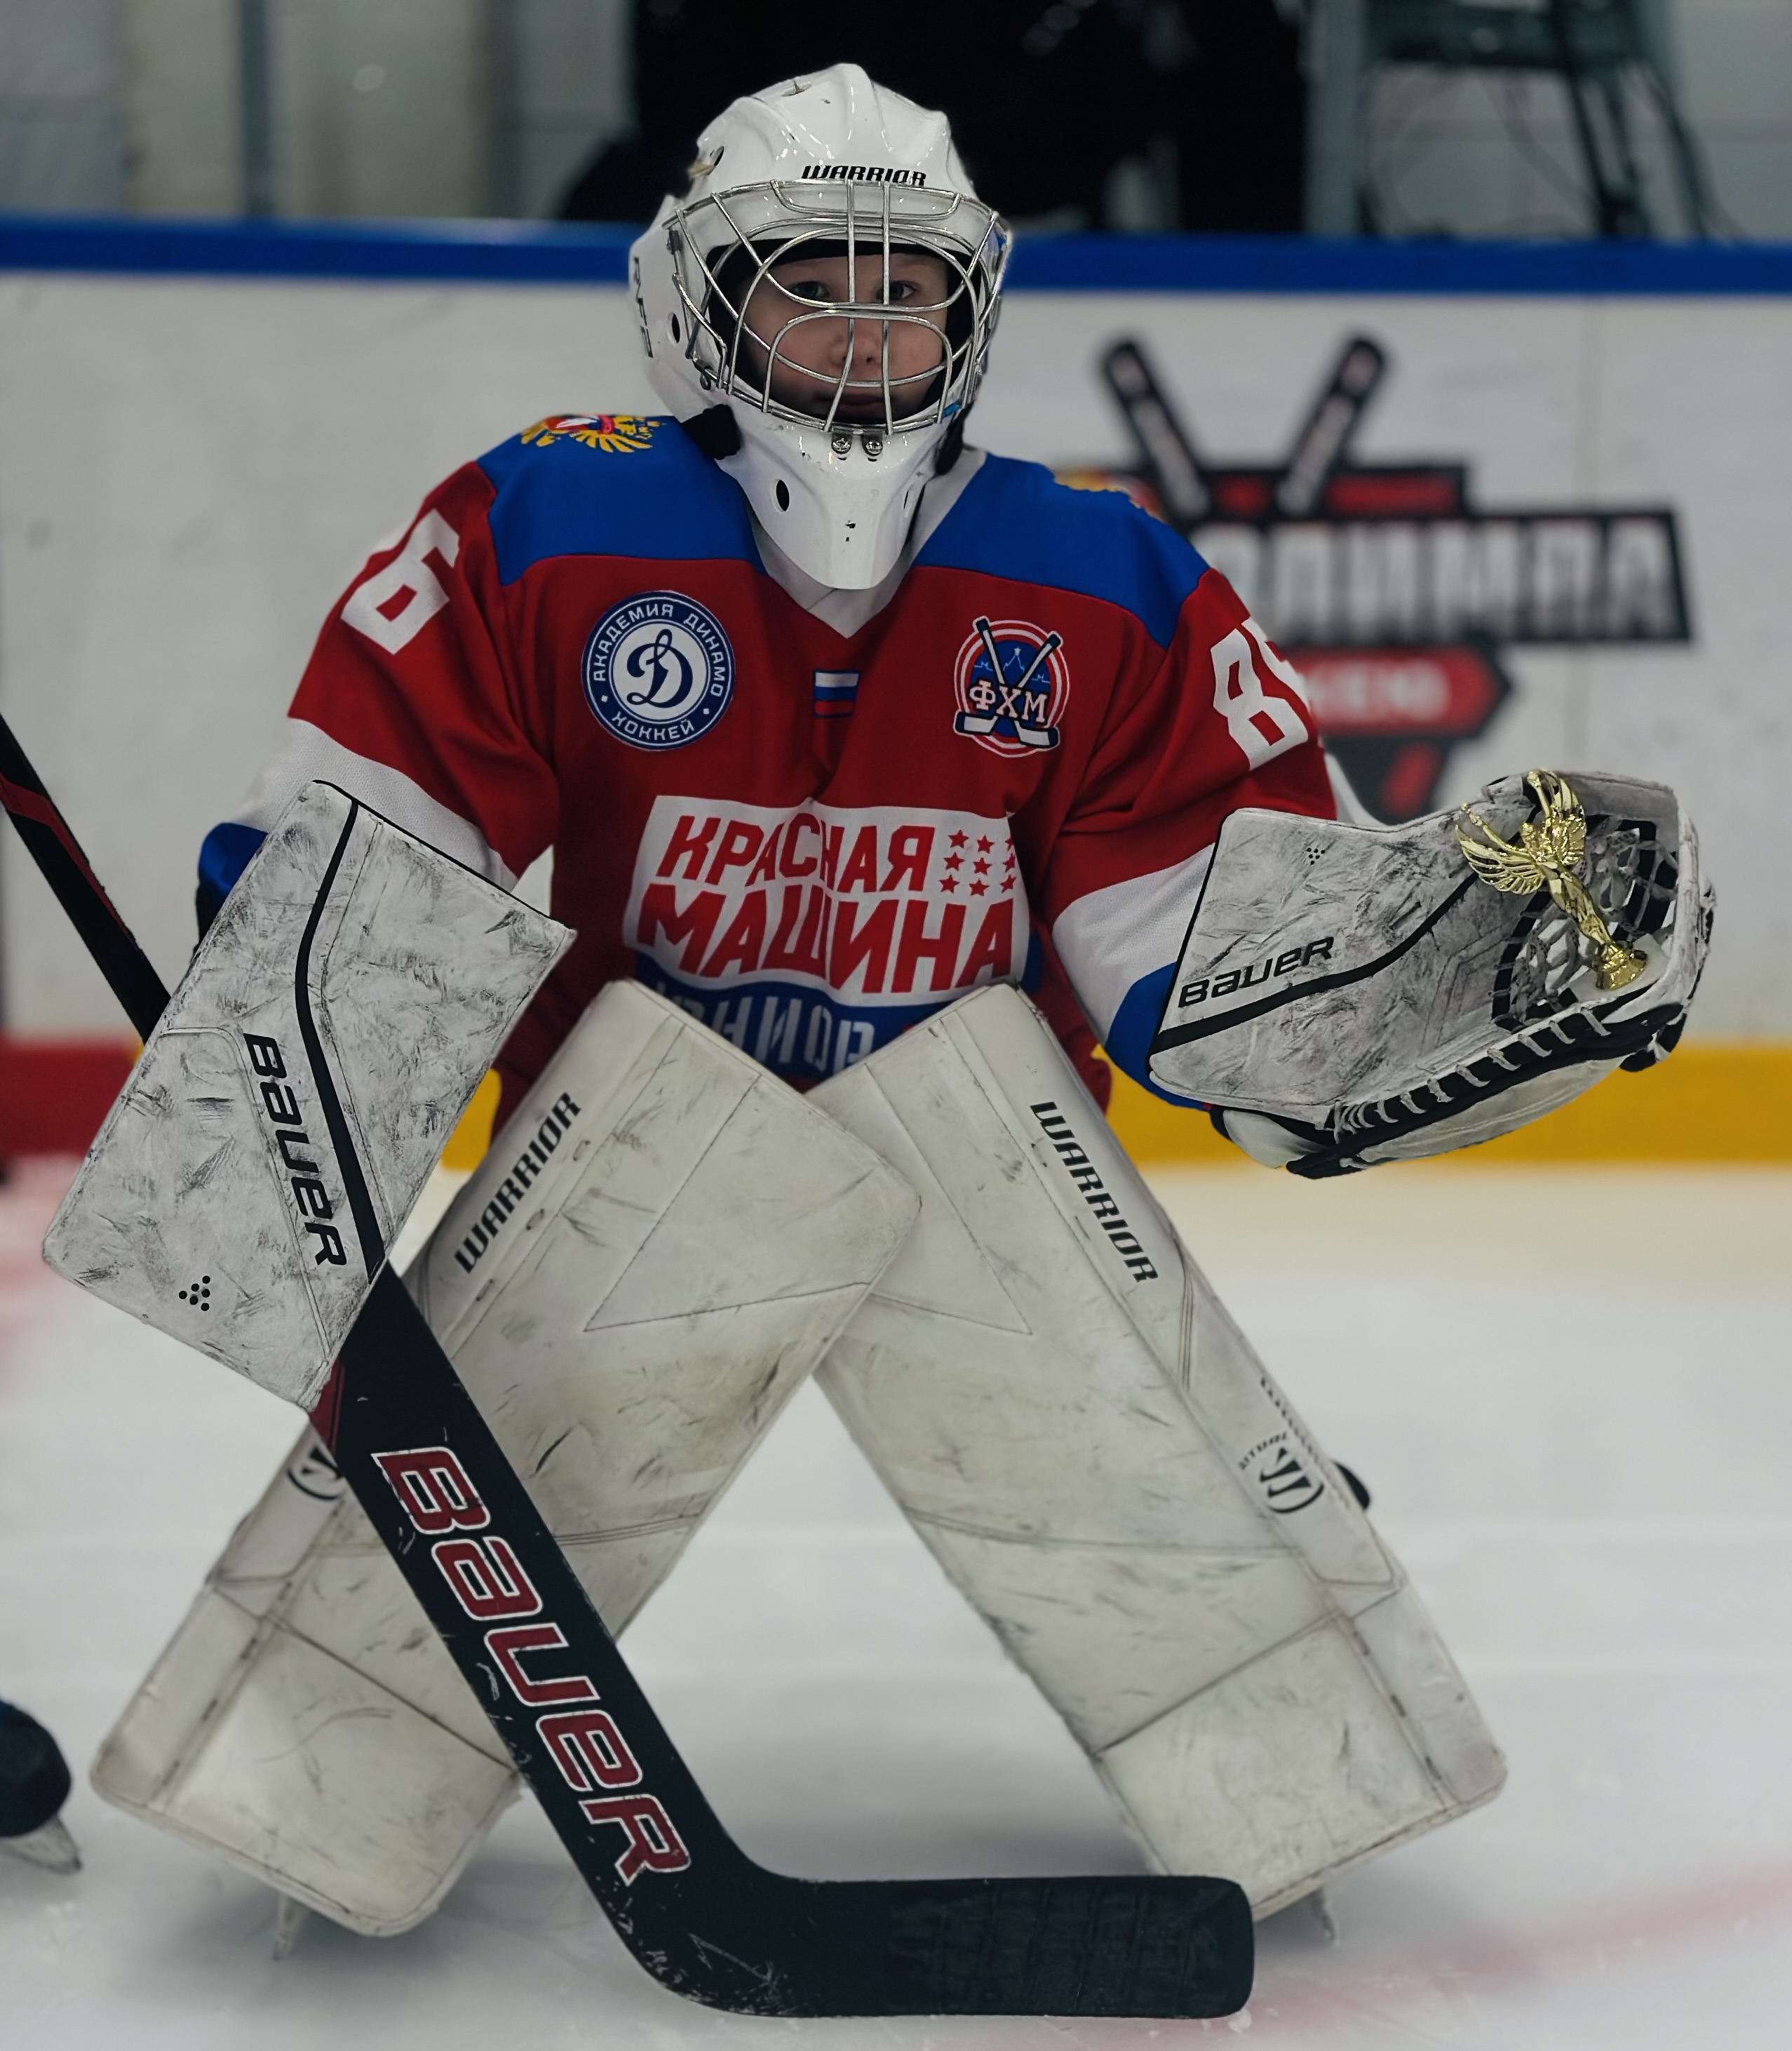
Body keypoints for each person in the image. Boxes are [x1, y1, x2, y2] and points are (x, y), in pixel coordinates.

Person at [102, 63, 1697, 1946]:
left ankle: (1280, 1755)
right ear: (698, 301)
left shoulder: (1098, 575)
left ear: (975, 310)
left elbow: (1204, 960)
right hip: (626, 1173)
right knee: (332, 1727)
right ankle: (313, 1785)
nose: (866, 333)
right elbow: (356, 875)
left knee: (1247, 1646)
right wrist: (288, 1106)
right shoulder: (551, 521)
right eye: (811, 284)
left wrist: (1414, 991)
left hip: (982, 1164)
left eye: (908, 288)